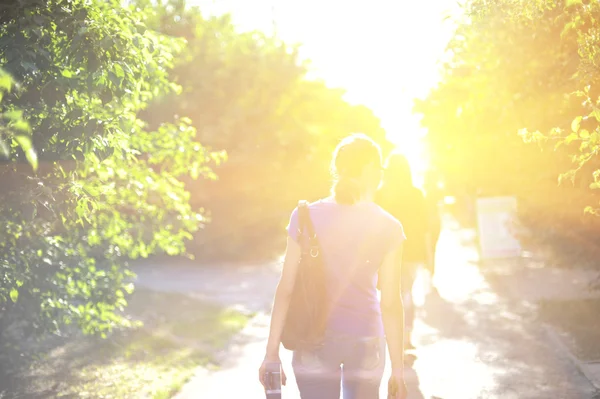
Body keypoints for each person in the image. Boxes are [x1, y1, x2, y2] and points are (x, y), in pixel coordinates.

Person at [258, 133, 407, 399]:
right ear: (371, 170)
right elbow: (391, 303)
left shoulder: (304, 216)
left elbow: (287, 288)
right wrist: (398, 368)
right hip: (366, 341)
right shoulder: (389, 226)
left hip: (313, 337)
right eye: (380, 169)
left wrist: (271, 354)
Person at [376, 153, 430, 351]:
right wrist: (429, 257)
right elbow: (425, 227)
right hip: (413, 253)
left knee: (389, 295)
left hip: (386, 254)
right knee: (406, 294)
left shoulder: (380, 194)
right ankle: (405, 337)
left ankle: (391, 335)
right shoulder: (416, 194)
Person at [423, 168, 443, 292]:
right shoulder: (436, 191)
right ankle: (430, 272)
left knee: (428, 248)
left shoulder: (427, 192)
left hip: (428, 223)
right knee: (432, 248)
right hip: (435, 222)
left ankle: (430, 271)